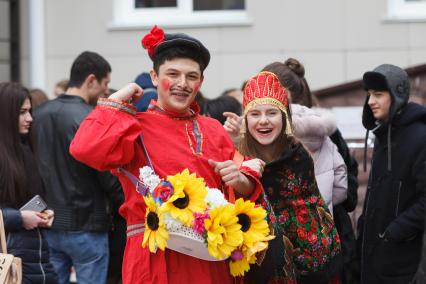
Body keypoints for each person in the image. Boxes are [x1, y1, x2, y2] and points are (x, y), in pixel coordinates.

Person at [69, 26, 264, 284]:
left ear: (201, 82)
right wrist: (117, 100)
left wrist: (241, 181)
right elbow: (84, 148)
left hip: (208, 261)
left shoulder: (213, 129)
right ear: (153, 76)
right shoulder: (133, 126)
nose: (182, 84)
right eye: (172, 74)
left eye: (191, 76)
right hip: (152, 259)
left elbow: (244, 188)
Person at [238, 71, 342, 283]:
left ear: (284, 116)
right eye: (255, 114)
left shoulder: (298, 156)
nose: (263, 121)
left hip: (315, 270)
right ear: (246, 119)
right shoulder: (237, 159)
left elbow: (312, 211)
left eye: (272, 113)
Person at [261, 58, 358, 284]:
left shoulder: (262, 133)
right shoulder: (326, 130)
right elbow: (345, 186)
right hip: (327, 241)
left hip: (276, 247)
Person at [32, 51, 123, 284]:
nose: (106, 90)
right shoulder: (91, 119)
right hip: (88, 223)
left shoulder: (37, 115)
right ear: (91, 80)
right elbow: (107, 174)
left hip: (47, 220)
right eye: (106, 83)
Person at [357, 64, 426, 283]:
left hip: (404, 264)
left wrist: (394, 232)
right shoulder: (384, 133)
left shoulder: (420, 137)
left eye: (378, 94)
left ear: (397, 95)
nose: (370, 102)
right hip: (376, 260)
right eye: (369, 95)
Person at [0, 82, 58, 283]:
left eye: (30, 111)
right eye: (22, 112)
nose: (30, 118)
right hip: (11, 260)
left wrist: (44, 212)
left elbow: (32, 198)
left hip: (36, 256)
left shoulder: (24, 149)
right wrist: (19, 218)